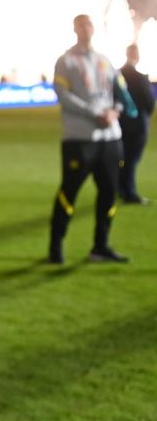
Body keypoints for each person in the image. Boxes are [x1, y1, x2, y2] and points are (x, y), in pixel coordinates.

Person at [48, 15, 130, 264]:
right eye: (81, 25)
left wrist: (115, 111)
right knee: (69, 192)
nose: (85, 29)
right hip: (81, 139)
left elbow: (120, 93)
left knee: (110, 192)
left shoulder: (105, 60)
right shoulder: (66, 61)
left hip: (111, 138)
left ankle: (101, 247)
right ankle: (56, 248)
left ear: (94, 29)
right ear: (74, 29)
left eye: (89, 24)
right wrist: (96, 113)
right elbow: (62, 95)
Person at [118, 43, 153, 205]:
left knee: (122, 158)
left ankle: (120, 189)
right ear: (135, 55)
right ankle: (129, 193)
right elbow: (149, 103)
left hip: (119, 124)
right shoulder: (140, 78)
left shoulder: (117, 75)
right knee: (131, 160)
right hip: (138, 125)